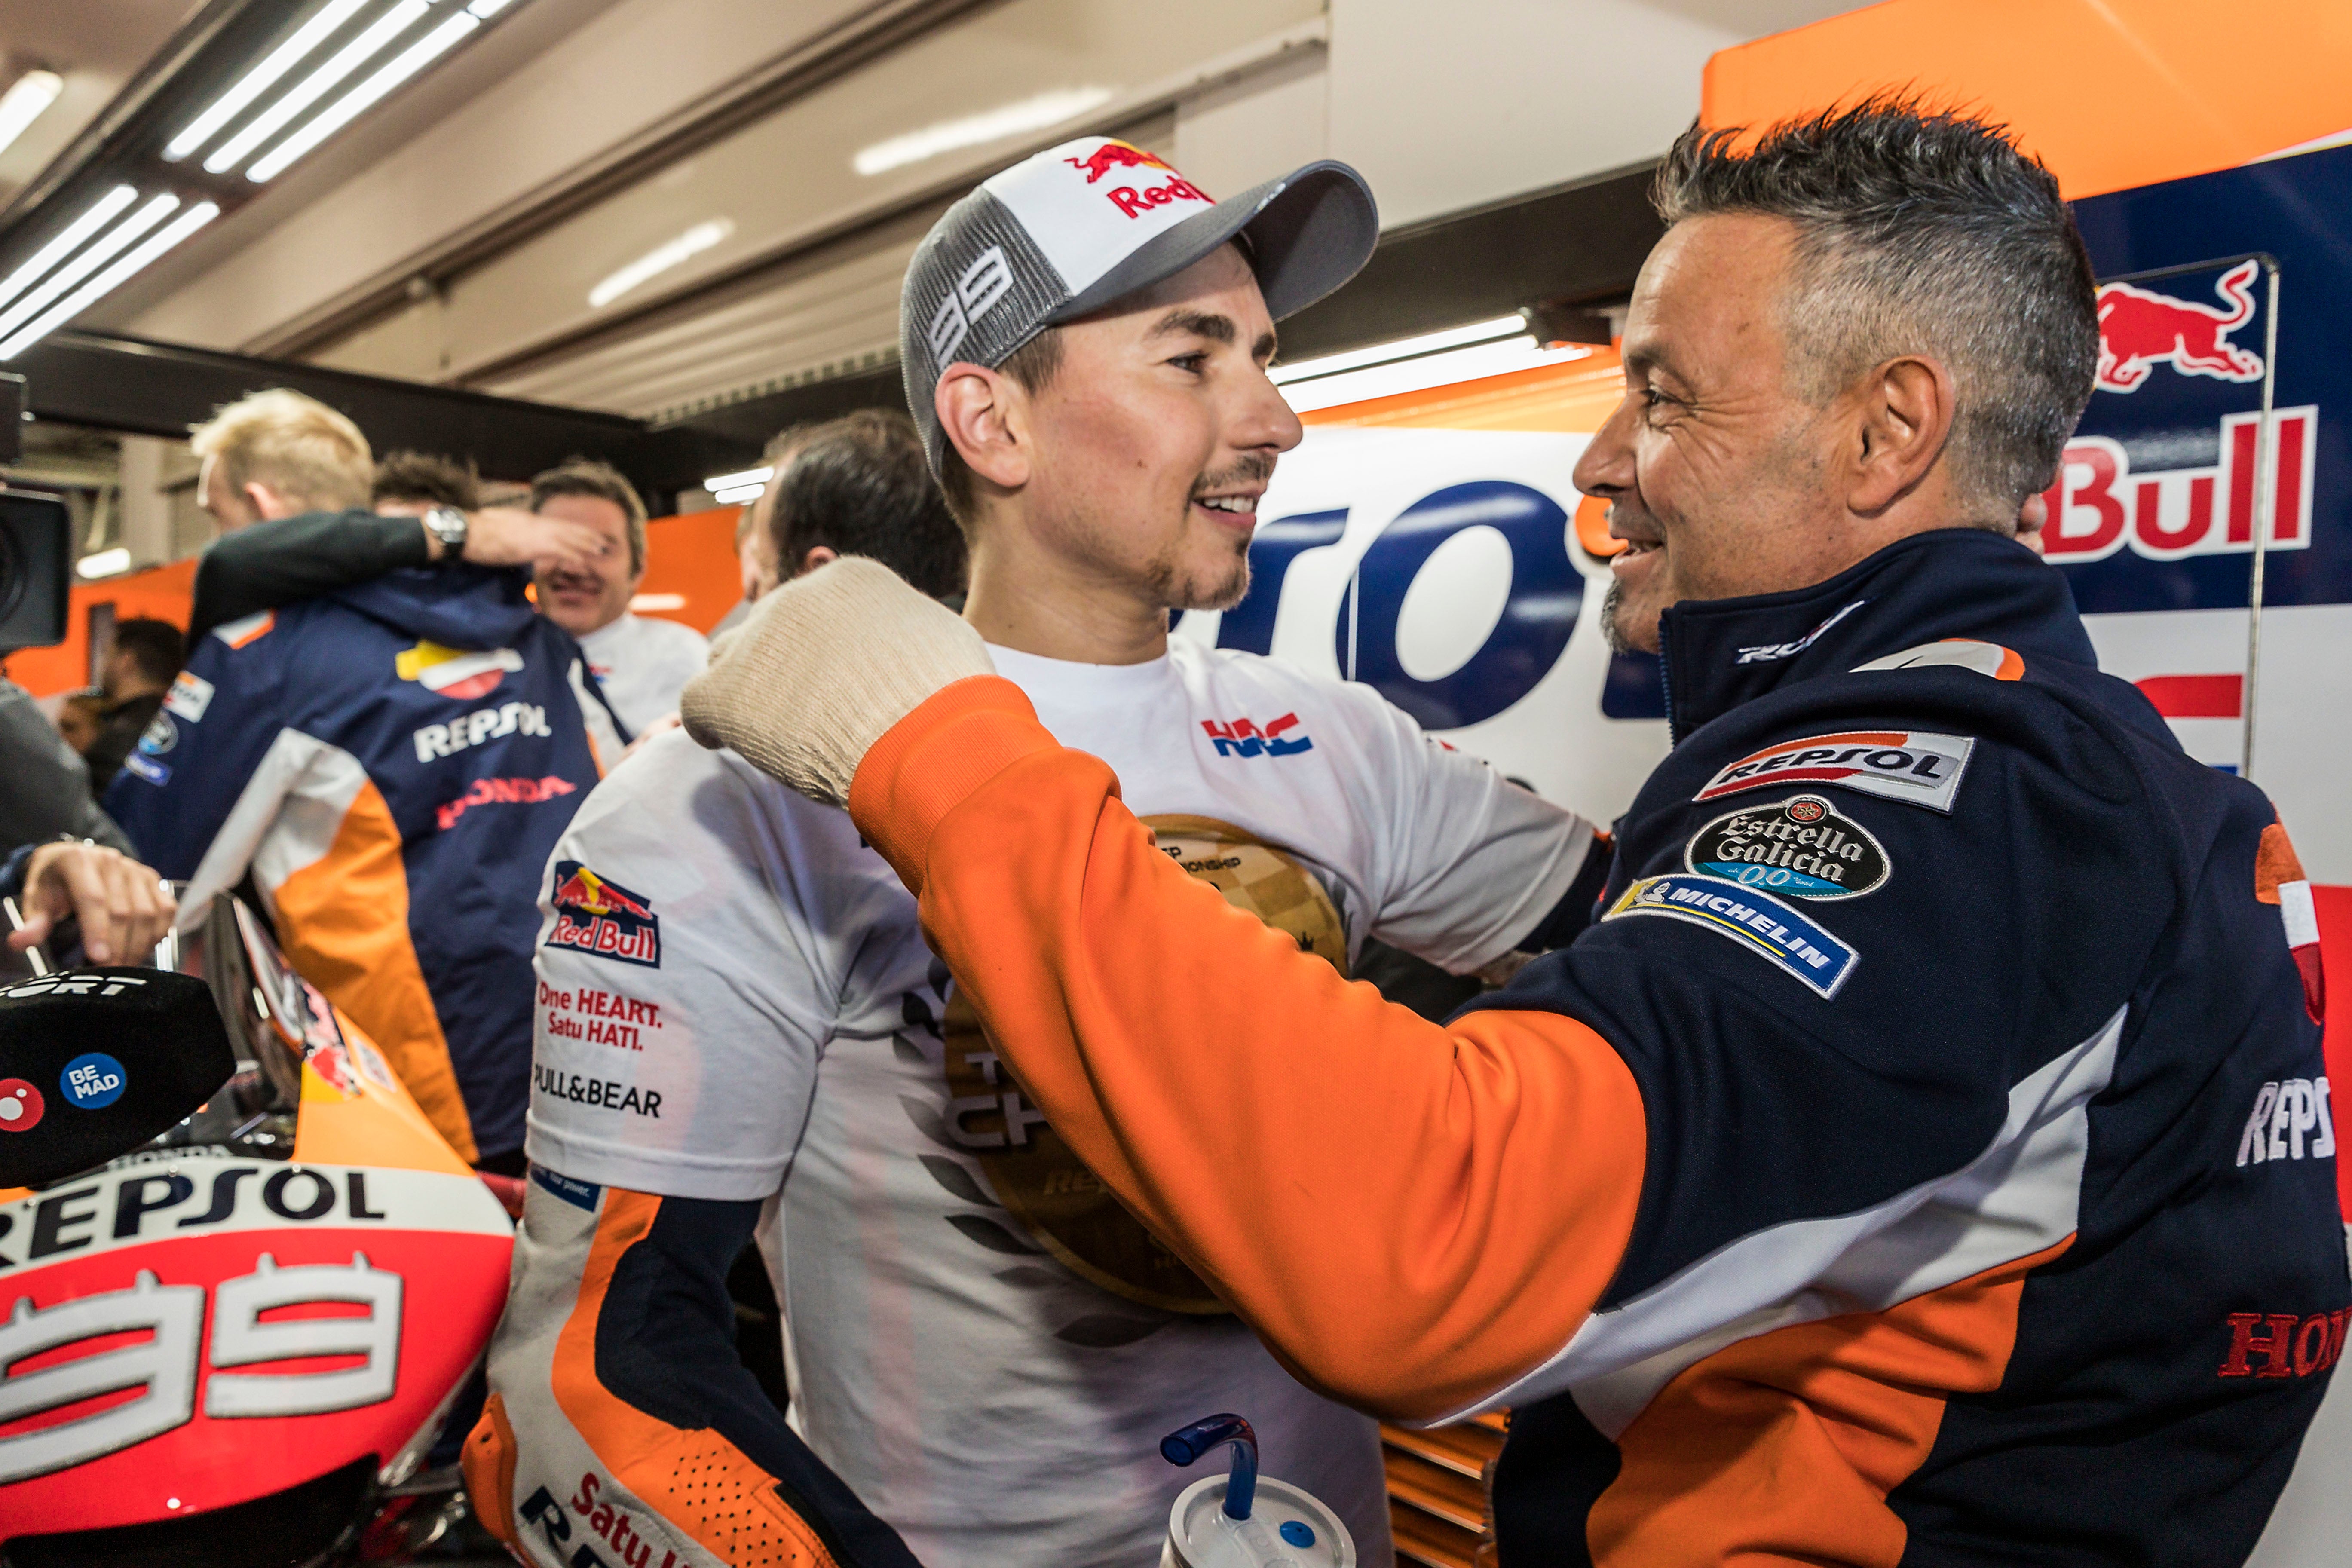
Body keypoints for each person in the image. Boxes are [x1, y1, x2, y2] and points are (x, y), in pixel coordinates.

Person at [684, 101, 2346, 1564]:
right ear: (990, 421)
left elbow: (1435, 1235)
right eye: (1192, 354)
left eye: (1664, 396)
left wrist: (939, 758)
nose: (1604, 459)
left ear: (1885, 429)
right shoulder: (1985, 770)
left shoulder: (1952, 798)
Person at [499, 137, 1610, 1568]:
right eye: (1192, 358)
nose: (1276, 419)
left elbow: (1657, 953)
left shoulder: (1334, 740)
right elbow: (594, 1375)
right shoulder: (733, 800)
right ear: (994, 420)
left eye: (1265, 357)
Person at [461, 410, 955, 1568]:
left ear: (818, 582)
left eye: (751, 573)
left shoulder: (696, 768)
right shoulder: (700, 791)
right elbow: (594, 1368)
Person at [108, 389, 622, 1171]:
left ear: (258, 503)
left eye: (216, 513)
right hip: (601, 1059)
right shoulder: (537, 634)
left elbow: (131, 885)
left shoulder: (263, 656)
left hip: (403, 1111)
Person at [529, 459, 707, 735]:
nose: (573, 568)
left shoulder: (682, 658)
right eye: (556, 543)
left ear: (637, 569)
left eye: (600, 549)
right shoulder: (494, 658)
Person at [83, 618, 184, 795]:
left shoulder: (118, 741)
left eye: (107, 654)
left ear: (126, 662)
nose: (103, 666)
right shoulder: (189, 730)